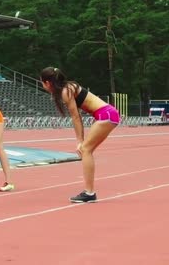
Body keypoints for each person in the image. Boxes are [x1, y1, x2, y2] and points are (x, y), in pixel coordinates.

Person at [40, 67, 120, 203]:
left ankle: (89, 193)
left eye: (42, 82)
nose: (42, 85)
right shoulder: (69, 88)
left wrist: (79, 141)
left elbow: (76, 117)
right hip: (108, 114)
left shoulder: (66, 91)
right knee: (87, 150)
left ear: (48, 83)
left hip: (106, 115)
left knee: (85, 149)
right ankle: (89, 192)